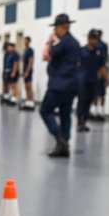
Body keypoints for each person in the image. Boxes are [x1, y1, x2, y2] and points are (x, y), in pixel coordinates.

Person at [40, 14, 80, 157]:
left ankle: (59, 138)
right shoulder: (75, 42)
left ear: (61, 27)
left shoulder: (63, 42)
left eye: (56, 28)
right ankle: (64, 146)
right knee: (65, 114)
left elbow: (48, 55)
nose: (54, 31)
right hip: (71, 85)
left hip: (59, 85)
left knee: (45, 110)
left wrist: (50, 42)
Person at [76, 31, 101, 133]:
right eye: (94, 39)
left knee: (89, 101)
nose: (95, 41)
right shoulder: (81, 51)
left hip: (93, 80)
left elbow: (101, 65)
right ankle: (79, 122)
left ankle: (84, 121)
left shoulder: (98, 52)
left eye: (97, 39)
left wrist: (104, 78)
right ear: (89, 39)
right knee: (82, 101)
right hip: (82, 79)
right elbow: (76, 64)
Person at [92, 31, 109, 121]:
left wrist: (104, 73)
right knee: (94, 93)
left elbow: (104, 60)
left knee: (102, 93)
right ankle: (94, 111)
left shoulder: (103, 45)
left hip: (101, 71)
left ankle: (101, 112)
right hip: (93, 71)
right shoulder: (93, 45)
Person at [20, 37, 36, 110]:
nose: (25, 42)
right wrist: (22, 71)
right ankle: (28, 101)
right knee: (26, 86)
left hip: (28, 71)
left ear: (29, 42)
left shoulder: (30, 50)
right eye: (24, 40)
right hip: (24, 70)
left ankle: (31, 102)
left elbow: (30, 62)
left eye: (26, 41)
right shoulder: (25, 50)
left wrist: (27, 72)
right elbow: (23, 61)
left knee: (29, 86)